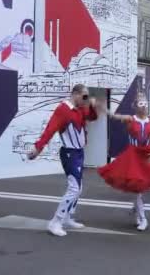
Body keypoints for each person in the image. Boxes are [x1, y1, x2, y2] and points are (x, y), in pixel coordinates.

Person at [27, 84, 99, 237]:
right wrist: (38, 148)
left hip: (79, 153)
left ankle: (66, 217)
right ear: (76, 94)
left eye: (87, 96)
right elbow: (50, 129)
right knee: (74, 188)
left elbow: (93, 117)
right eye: (84, 96)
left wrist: (91, 106)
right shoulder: (63, 110)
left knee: (78, 188)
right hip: (69, 154)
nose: (85, 99)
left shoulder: (80, 109)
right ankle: (55, 221)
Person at [98, 95, 150, 231]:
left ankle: (136, 208)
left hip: (147, 155)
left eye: (145, 103)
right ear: (136, 106)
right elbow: (115, 116)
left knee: (149, 187)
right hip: (133, 156)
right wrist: (104, 109)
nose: (143, 106)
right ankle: (143, 219)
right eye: (140, 104)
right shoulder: (131, 119)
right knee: (138, 190)